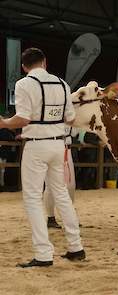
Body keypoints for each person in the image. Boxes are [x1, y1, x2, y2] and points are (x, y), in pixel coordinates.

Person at [0, 47, 85, 267]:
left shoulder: (23, 84)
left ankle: (43, 254)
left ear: (24, 66)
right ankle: (76, 247)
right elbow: (70, 118)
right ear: (44, 62)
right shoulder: (62, 84)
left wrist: (4, 122)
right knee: (61, 195)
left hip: (36, 147)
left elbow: (23, 119)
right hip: (59, 146)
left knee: (32, 198)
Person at [44, 126, 77, 228]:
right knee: (50, 185)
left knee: (70, 185)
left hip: (66, 149)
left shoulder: (71, 113)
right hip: (49, 146)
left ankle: (69, 216)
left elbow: (75, 133)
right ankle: (50, 217)